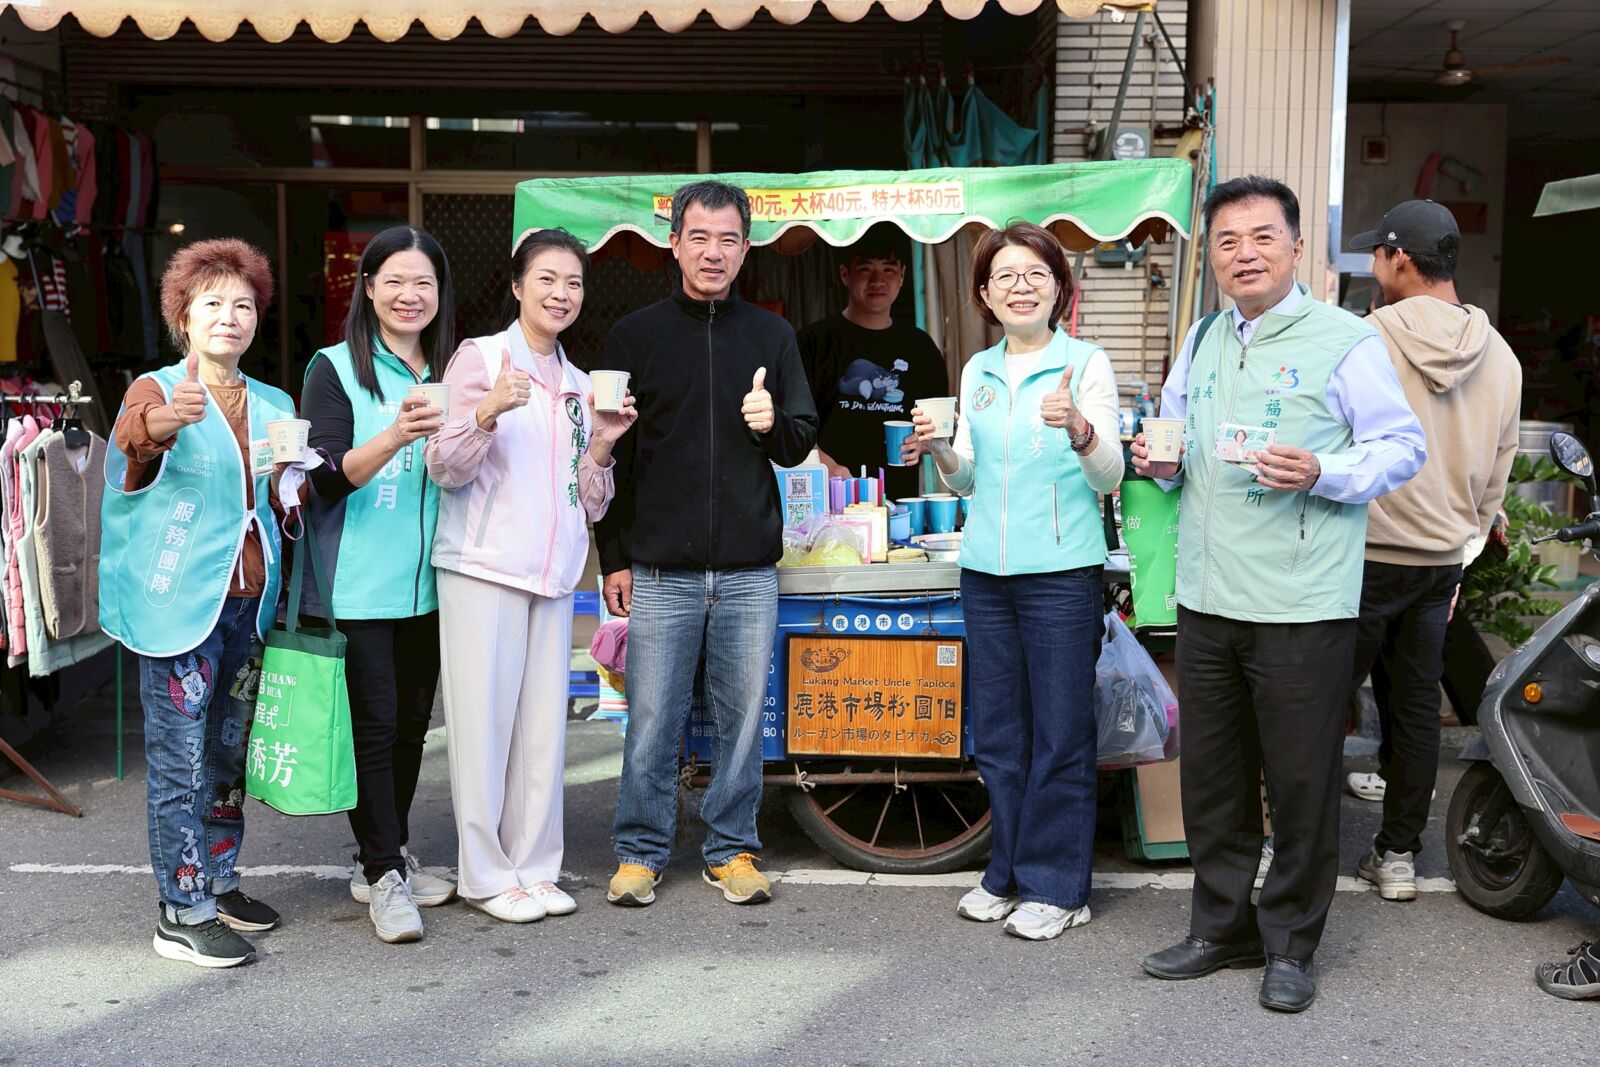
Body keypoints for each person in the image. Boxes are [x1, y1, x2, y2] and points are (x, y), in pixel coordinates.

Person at [1132, 176, 1426, 1013]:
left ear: (1297, 247)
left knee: (1300, 783)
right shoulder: (1203, 339)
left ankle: (1290, 943)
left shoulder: (1344, 340)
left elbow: (1401, 447)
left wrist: (1325, 470)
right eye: (1227, 240)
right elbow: (1176, 440)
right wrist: (1161, 460)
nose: (1244, 253)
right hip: (1208, 595)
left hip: (1302, 603)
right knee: (1215, 781)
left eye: (1262, 236)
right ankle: (1219, 927)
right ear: (1214, 256)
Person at [594, 180, 817, 908]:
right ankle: (640, 849)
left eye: (728, 239)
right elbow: (615, 458)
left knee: (740, 716)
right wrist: (614, 556)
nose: (713, 252)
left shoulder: (773, 336)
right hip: (661, 567)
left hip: (751, 568)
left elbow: (801, 439)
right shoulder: (635, 336)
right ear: (674, 243)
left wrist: (770, 420)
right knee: (652, 715)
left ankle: (731, 847)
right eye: (700, 237)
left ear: (746, 248)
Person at [911, 221, 1123, 941]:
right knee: (1000, 732)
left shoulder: (1087, 364)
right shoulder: (977, 371)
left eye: (1035, 273)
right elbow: (966, 476)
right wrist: (940, 444)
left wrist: (1081, 431)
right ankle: (1007, 870)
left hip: (1062, 573)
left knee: (1061, 731)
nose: (1020, 285)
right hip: (986, 573)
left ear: (1061, 287)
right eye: (1005, 276)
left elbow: (1111, 474)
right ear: (984, 294)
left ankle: (1059, 886)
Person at [426, 229, 635, 922]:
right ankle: (485, 873)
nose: (561, 293)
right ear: (517, 286)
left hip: (553, 574)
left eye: (573, 282)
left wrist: (602, 445)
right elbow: (443, 466)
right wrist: (488, 409)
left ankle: (536, 867)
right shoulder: (479, 358)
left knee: (543, 729)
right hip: (483, 568)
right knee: (484, 726)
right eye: (547, 278)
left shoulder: (580, 385)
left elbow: (589, 498)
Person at [100, 238, 296, 967]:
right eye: (212, 303)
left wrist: (296, 480)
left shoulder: (274, 401)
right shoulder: (155, 387)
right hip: (181, 606)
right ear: (183, 315)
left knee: (228, 751)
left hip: (249, 602)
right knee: (181, 758)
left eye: (243, 305)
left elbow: (281, 501)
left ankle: (218, 878)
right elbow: (132, 441)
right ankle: (180, 906)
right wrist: (164, 422)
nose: (230, 317)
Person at [1342, 199, 1521, 902]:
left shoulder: (1363, 338)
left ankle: (1285, 847)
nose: (1374, 268)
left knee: (1322, 704)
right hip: (1441, 558)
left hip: (1360, 552)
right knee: (1415, 708)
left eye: (1377, 256)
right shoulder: (1500, 354)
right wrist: (1464, 549)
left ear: (1400, 260)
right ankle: (1397, 856)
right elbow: (1498, 473)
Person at [300, 226, 458, 943]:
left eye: (422, 282)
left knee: (412, 727)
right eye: (394, 280)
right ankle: (385, 871)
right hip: (359, 583)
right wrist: (395, 435)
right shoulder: (334, 368)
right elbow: (324, 478)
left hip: (431, 586)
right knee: (374, 726)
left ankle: (381, 858)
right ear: (367, 287)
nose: (408, 294)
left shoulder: (455, 368)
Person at [797, 224, 947, 500]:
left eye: (889, 269)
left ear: (902, 275)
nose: (878, 280)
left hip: (900, 499)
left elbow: (939, 426)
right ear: (845, 274)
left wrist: (923, 445)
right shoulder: (812, 342)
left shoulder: (920, 347)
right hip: (831, 495)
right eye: (865, 269)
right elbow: (791, 423)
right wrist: (823, 464)